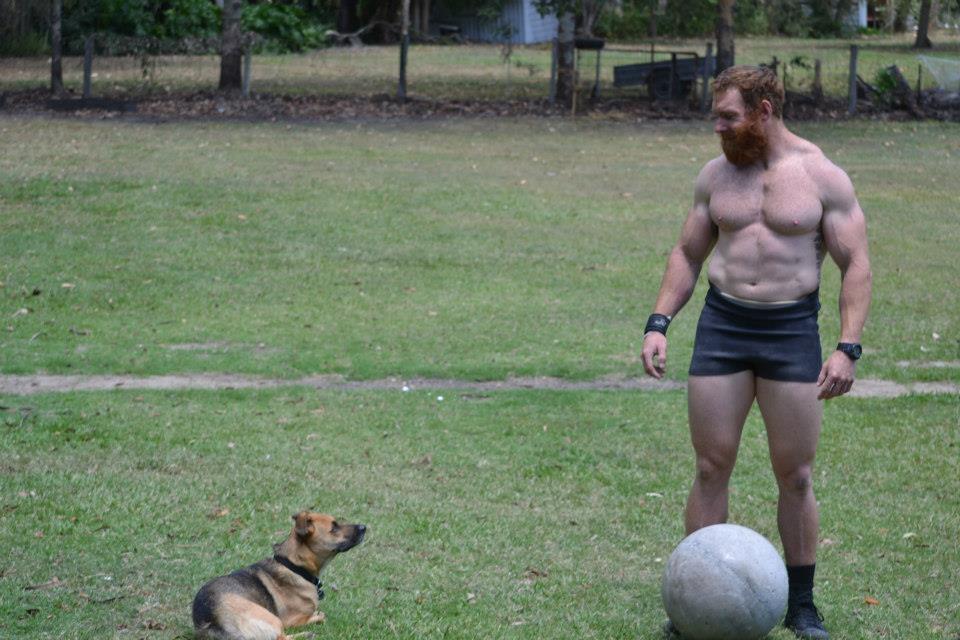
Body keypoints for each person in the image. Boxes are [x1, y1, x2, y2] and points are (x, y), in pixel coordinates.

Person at [642, 66, 872, 640]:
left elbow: (856, 265)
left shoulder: (822, 176)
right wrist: (659, 322)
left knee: (795, 475)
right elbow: (688, 253)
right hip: (723, 327)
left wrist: (846, 348)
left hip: (790, 332)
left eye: (728, 116)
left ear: (763, 110)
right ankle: (694, 601)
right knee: (709, 466)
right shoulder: (716, 175)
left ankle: (802, 605)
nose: (717, 127)